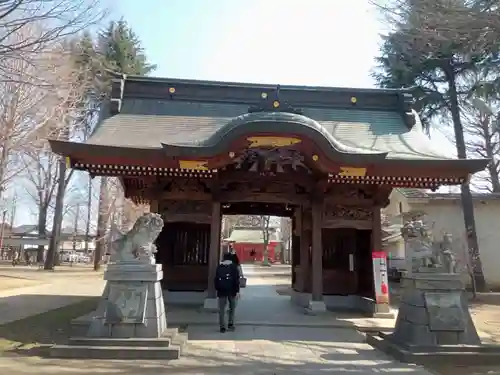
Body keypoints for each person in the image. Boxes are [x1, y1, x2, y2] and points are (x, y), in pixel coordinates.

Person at [214, 251, 240, 333]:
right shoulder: (233, 267)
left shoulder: (219, 267)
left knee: (222, 309)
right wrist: (237, 291)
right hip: (232, 291)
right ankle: (230, 324)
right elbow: (236, 280)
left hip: (221, 291)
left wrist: (218, 289)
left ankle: (222, 327)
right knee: (232, 308)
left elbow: (216, 280)